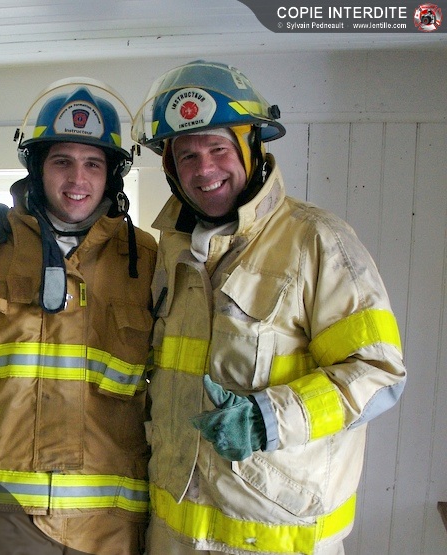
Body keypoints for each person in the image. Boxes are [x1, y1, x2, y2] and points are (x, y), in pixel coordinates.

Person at [131, 60, 407, 555]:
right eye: (187, 155)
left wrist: (269, 419)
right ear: (170, 168)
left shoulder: (317, 241)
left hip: (275, 539)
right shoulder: (170, 250)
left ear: (253, 147)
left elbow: (377, 372)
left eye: (218, 149)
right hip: (172, 536)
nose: (204, 169)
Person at [0, 78, 158, 554]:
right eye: (62, 161)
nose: (77, 179)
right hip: (5, 517)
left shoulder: (145, 260)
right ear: (37, 168)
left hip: (108, 527)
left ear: (112, 175)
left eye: (93, 164)